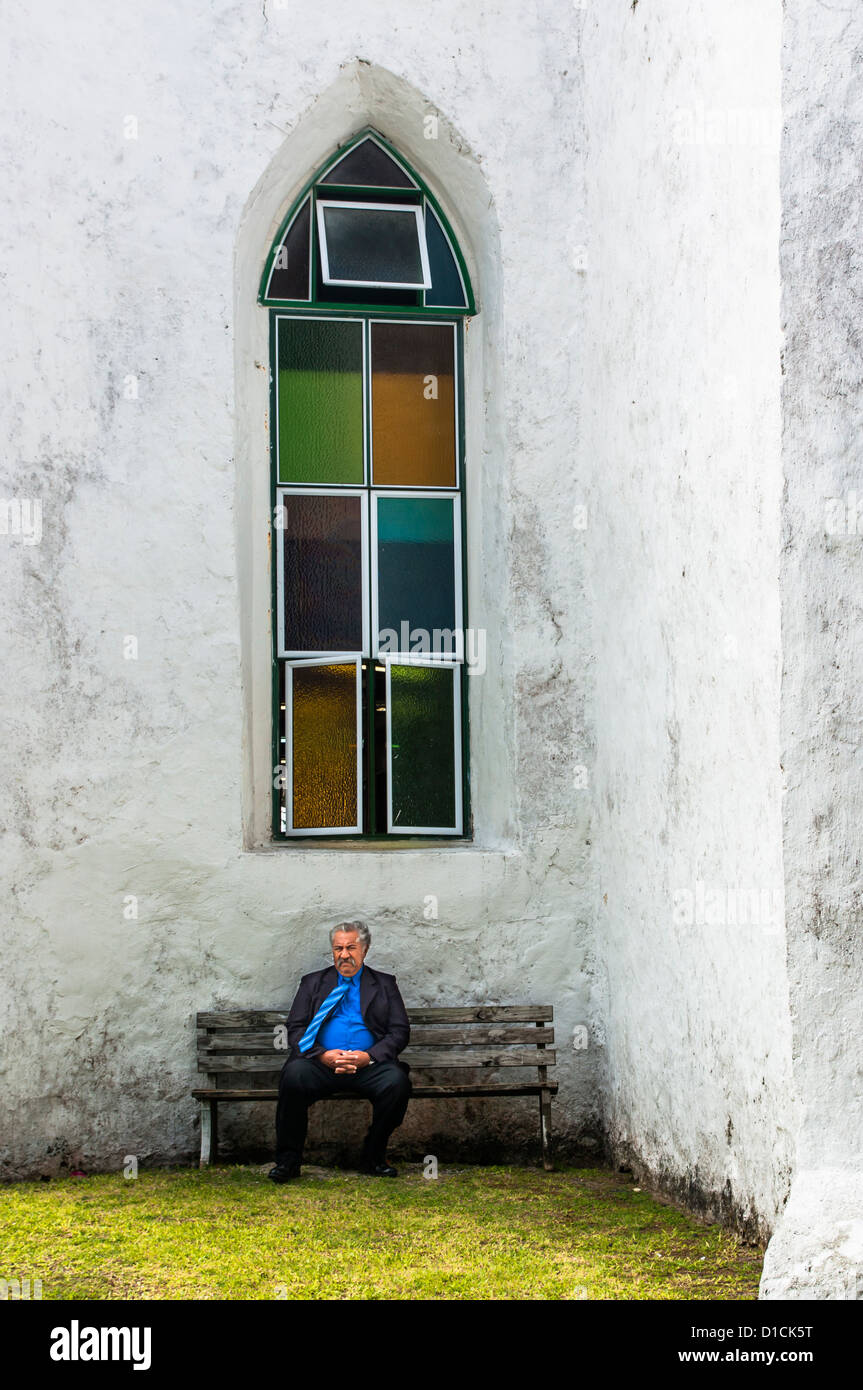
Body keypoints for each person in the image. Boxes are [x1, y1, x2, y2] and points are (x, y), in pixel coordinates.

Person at [269, 921, 412, 1182]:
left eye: (351, 947)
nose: (344, 954)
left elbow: (399, 1031)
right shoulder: (313, 983)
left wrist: (368, 1057)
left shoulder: (384, 984)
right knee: (293, 1076)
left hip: (368, 1066)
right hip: (320, 1064)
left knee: (396, 1082)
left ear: (365, 950)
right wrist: (323, 1054)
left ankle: (373, 1157)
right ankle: (288, 1162)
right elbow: (296, 1028)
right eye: (338, 948)